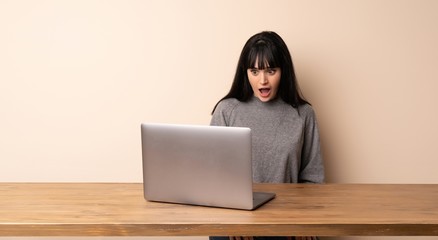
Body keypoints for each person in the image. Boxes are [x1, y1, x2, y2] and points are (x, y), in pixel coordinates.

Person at [209, 31, 324, 240]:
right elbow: (213, 179)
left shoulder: (304, 113)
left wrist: (302, 221)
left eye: (271, 71)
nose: (263, 80)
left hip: (288, 219)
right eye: (254, 71)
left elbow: (313, 180)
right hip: (237, 220)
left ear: (283, 71)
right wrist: (234, 222)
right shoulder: (226, 111)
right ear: (245, 72)